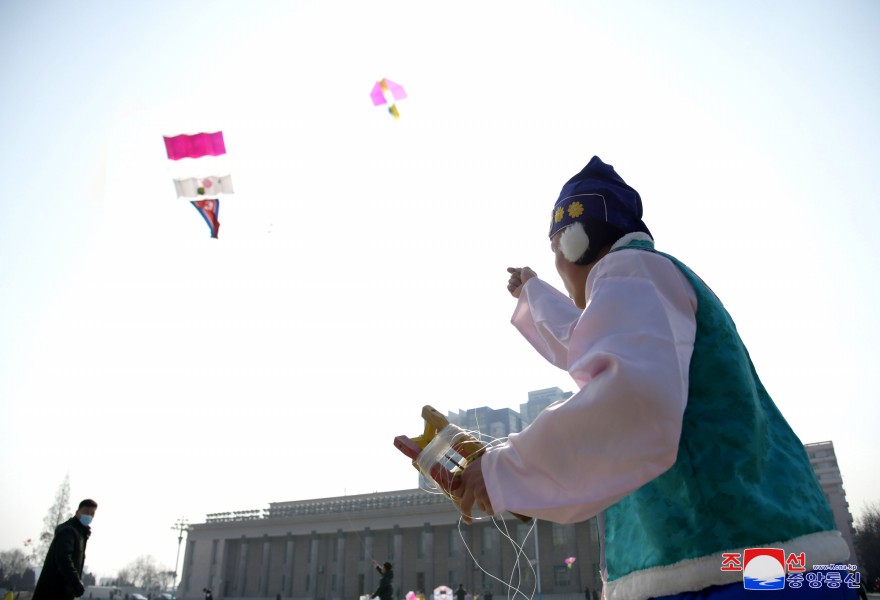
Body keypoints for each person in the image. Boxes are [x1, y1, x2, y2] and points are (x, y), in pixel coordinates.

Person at [457, 156, 853, 600]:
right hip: (776, 556)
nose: (556, 266)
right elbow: (586, 340)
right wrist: (533, 291)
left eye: (555, 252)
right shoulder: (653, 275)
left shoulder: (631, 271)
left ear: (576, 242)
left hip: (718, 568)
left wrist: (500, 468)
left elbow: (630, 398)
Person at [32, 498, 98, 600]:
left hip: (63, 591)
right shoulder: (69, 531)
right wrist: (75, 582)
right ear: (77, 512)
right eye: (86, 512)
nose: (89, 516)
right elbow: (63, 559)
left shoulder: (80, 534)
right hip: (54, 591)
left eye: (92, 514)